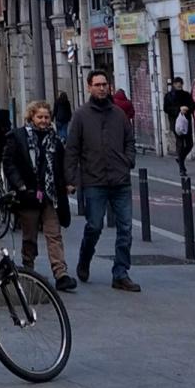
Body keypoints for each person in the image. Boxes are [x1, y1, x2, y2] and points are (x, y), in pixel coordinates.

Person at [65, 70, 139, 292]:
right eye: (97, 84)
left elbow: (130, 140)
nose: (101, 88)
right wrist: (71, 179)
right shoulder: (80, 116)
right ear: (89, 87)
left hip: (120, 179)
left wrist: (128, 161)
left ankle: (120, 273)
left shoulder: (119, 114)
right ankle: (84, 259)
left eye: (104, 84)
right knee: (94, 226)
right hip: (94, 180)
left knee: (125, 228)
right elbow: (72, 150)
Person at [2, 100, 75, 291]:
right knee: (30, 236)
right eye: (39, 117)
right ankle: (28, 269)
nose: (43, 121)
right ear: (31, 117)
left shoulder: (55, 140)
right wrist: (20, 185)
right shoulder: (18, 137)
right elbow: (9, 163)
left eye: (46, 117)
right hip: (28, 195)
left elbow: (61, 165)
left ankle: (61, 273)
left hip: (50, 196)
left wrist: (68, 183)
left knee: (54, 234)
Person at [163, 77, 195, 164]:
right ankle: (182, 167)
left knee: (189, 144)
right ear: (174, 85)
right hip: (176, 123)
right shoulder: (169, 96)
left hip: (186, 122)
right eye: (177, 84)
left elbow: (193, 105)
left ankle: (180, 159)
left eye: (180, 83)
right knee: (180, 143)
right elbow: (166, 108)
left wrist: (187, 109)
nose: (179, 85)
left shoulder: (186, 95)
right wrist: (179, 109)